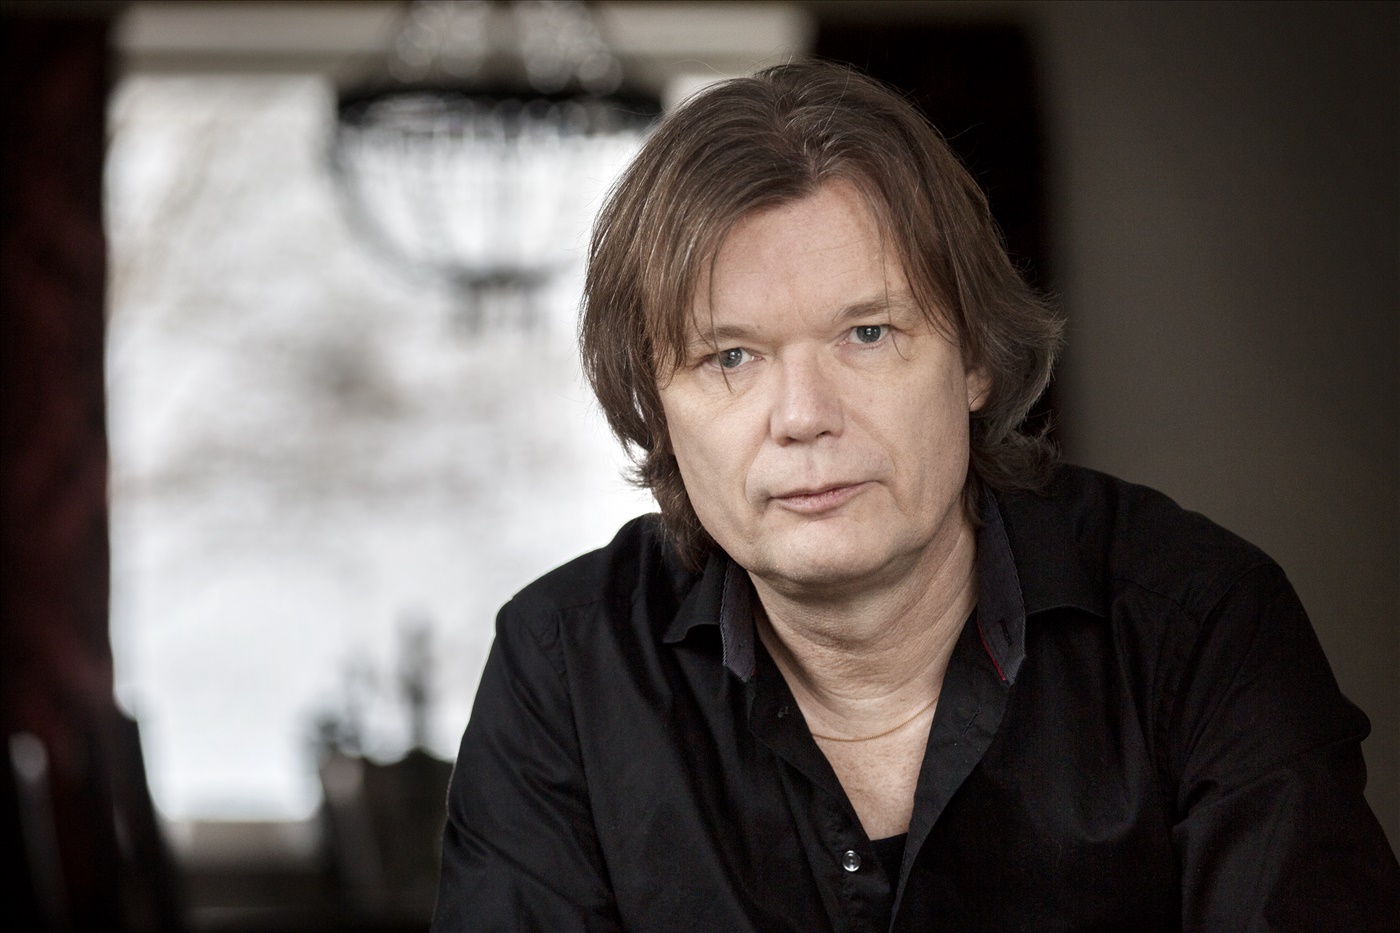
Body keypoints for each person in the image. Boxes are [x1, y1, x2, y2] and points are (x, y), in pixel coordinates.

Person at [432, 60, 1399, 931]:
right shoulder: (563, 668)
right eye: (730, 356)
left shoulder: (1201, 622)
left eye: (868, 334)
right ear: (656, 404)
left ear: (975, 356)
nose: (803, 417)